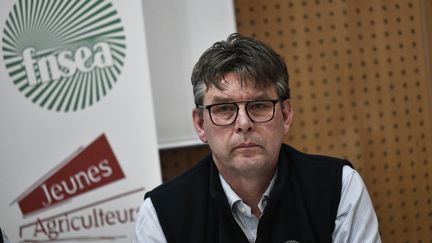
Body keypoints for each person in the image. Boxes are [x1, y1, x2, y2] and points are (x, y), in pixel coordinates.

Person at [133, 33, 381, 243]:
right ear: (200, 124)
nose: (243, 123)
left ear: (285, 115)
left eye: (260, 105)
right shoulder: (161, 213)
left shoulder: (340, 188)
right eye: (224, 109)